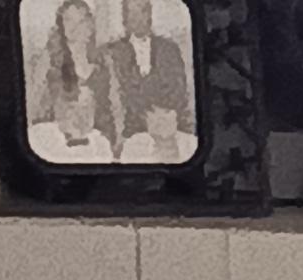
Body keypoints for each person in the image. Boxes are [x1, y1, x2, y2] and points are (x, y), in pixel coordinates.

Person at [103, 0, 198, 163]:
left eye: (141, 12)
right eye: (131, 13)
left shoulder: (169, 49)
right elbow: (116, 96)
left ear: (149, 15)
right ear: (124, 18)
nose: (136, 18)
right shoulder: (113, 52)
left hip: (169, 127)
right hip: (130, 131)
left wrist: (162, 120)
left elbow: (179, 91)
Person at [30, 0, 113, 159]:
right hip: (60, 142)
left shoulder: (104, 61)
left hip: (97, 141)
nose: (74, 27)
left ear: (90, 25)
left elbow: (112, 107)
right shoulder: (49, 60)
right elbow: (36, 104)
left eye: (80, 21)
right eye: (68, 20)